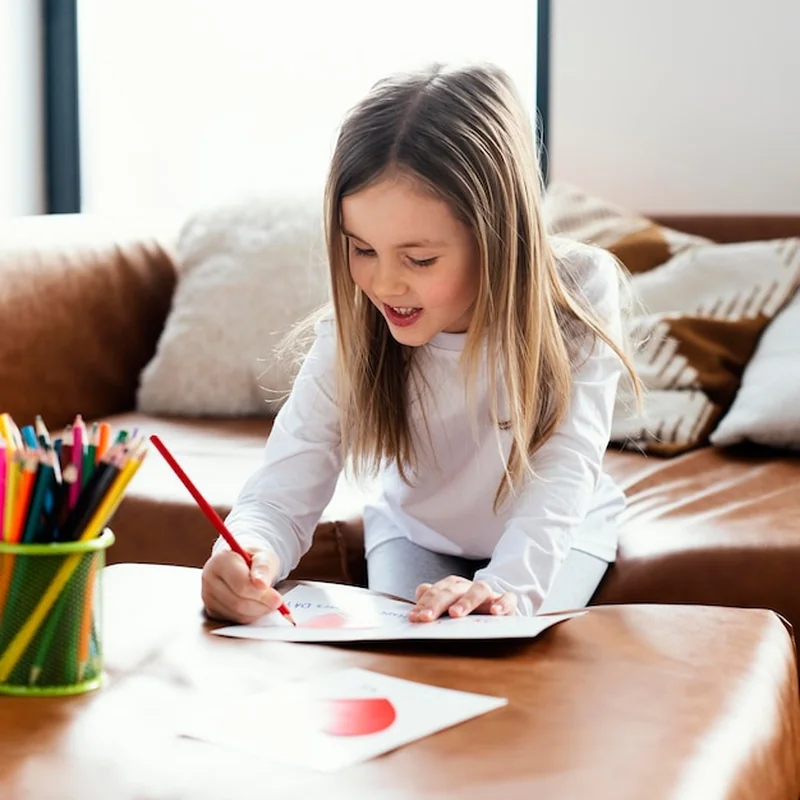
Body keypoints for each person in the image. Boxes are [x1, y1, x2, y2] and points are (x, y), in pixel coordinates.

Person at [201, 63, 639, 625]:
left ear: (498, 238)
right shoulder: (358, 322)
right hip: (415, 532)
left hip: (560, 535)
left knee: (497, 646)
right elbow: (291, 470)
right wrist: (246, 549)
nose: (384, 285)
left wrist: (507, 588)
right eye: (362, 249)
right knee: (414, 656)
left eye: (420, 259)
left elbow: (564, 464)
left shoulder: (577, 289)